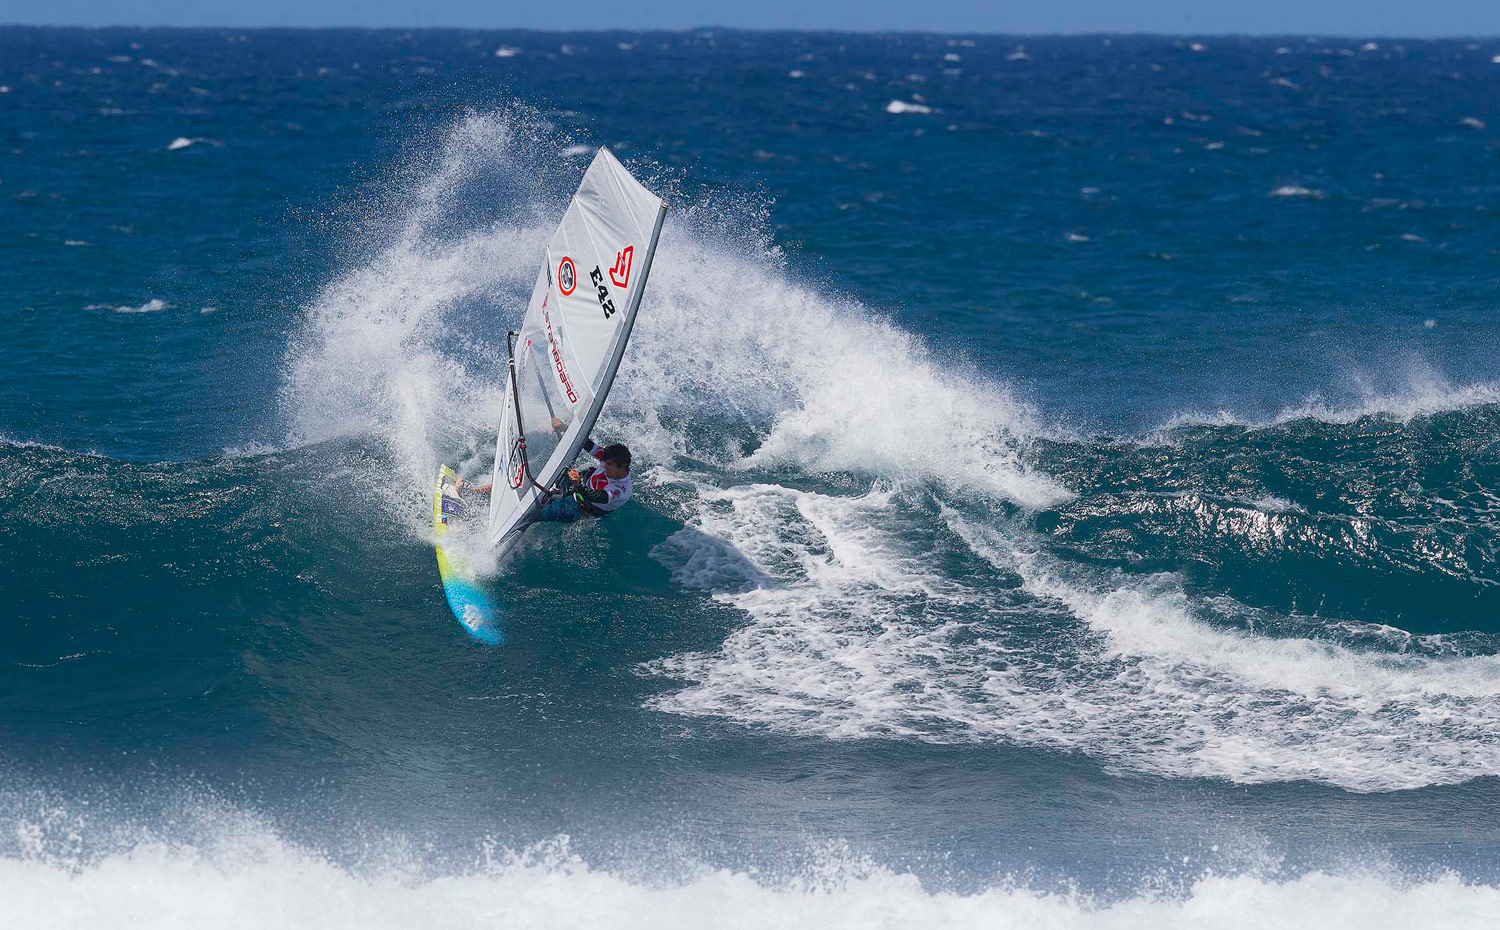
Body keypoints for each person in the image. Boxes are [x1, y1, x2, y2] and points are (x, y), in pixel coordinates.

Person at [459, 419, 632, 524]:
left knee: (532, 510)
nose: (605, 466)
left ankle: (477, 521)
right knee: (525, 482)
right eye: (605, 462)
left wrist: (578, 485)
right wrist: (564, 427)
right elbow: (587, 444)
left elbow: (596, 497)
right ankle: (471, 493)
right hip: (572, 487)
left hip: (578, 508)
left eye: (609, 465)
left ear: (623, 466)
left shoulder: (621, 491)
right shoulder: (608, 457)